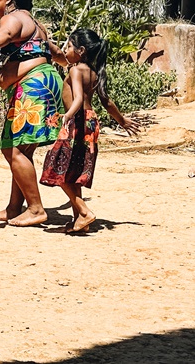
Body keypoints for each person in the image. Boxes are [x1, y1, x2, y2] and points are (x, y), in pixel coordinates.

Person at [0, 0, 67, 227]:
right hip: (46, 82)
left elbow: (6, 34)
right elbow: (55, 52)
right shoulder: (37, 24)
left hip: (32, 88)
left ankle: (36, 209)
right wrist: (70, 64)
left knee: (13, 149)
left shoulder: (12, 18)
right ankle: (14, 207)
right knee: (22, 149)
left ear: (9, 0)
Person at [40, 29, 139, 233]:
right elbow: (107, 102)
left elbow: (76, 99)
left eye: (68, 46)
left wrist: (66, 116)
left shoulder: (75, 70)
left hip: (76, 121)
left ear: (81, 50)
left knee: (57, 168)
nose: (65, 50)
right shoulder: (94, 72)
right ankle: (79, 221)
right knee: (74, 170)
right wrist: (122, 121)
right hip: (90, 122)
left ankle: (84, 212)